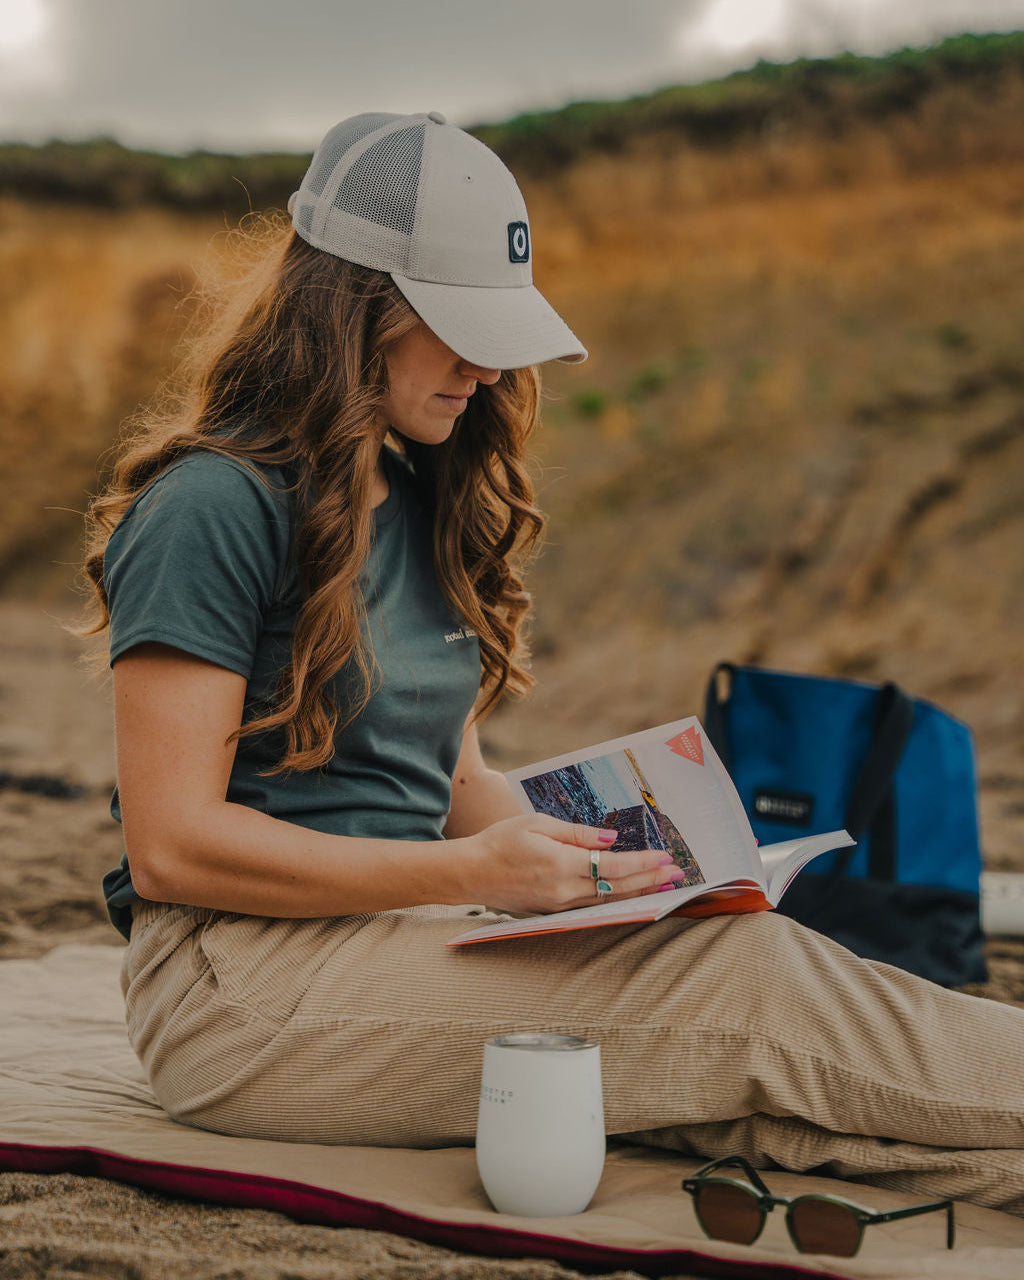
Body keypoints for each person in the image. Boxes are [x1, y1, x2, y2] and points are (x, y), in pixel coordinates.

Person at [84, 111, 1024, 1216]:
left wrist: (642, 872)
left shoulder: (416, 493)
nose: (487, 367)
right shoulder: (212, 507)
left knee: (746, 1086)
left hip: (401, 938)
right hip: (236, 989)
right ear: (351, 305)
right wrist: (472, 879)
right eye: (458, 328)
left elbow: (457, 787)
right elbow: (172, 847)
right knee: (747, 990)